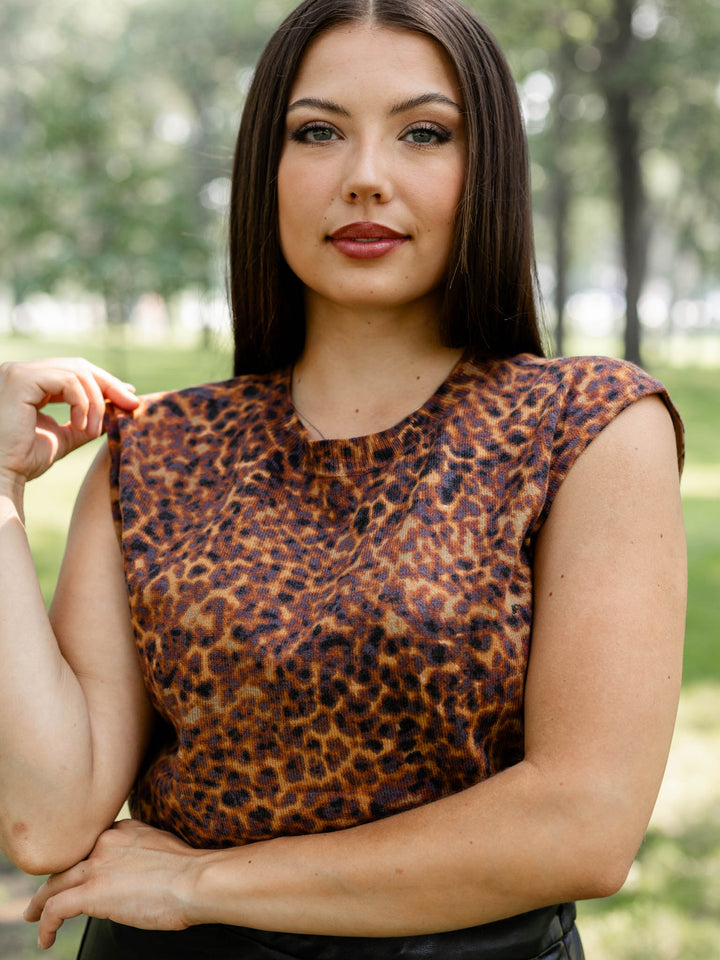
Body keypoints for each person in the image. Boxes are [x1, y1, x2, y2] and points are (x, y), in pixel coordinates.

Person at [0, 0, 686, 957]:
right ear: (266, 172)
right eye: (317, 132)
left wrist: (204, 882)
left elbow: (583, 827)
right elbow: (47, 821)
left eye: (424, 133)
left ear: (484, 167)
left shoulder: (587, 426)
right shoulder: (158, 450)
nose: (366, 178)